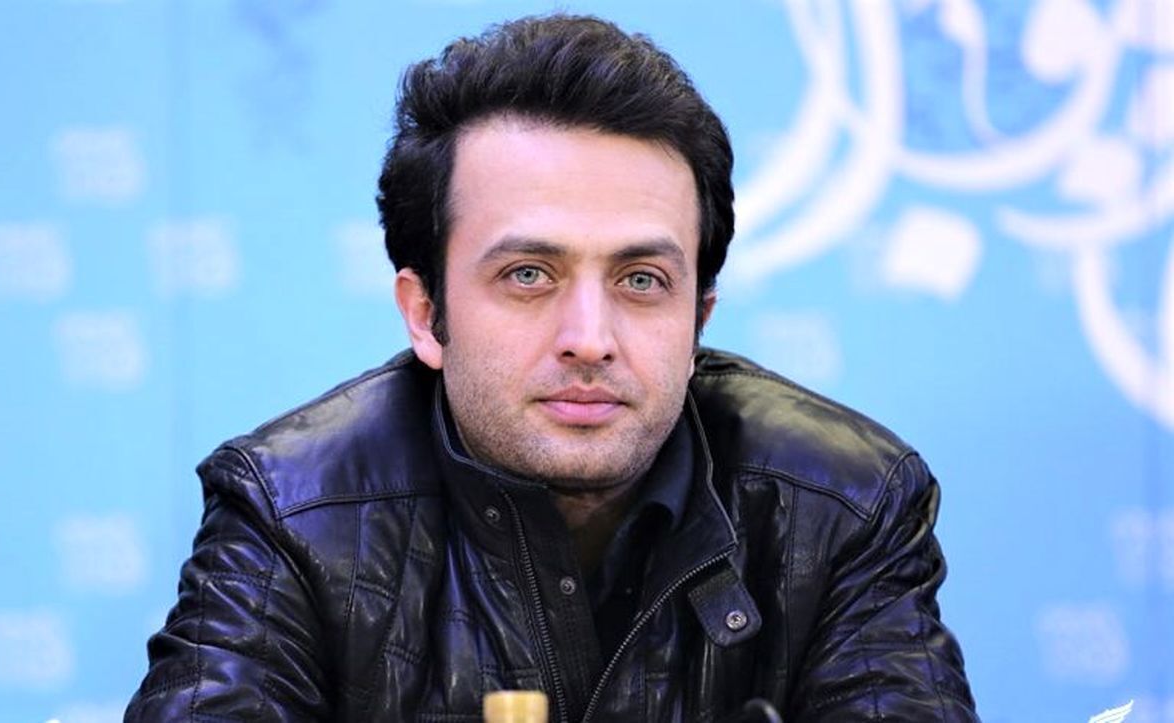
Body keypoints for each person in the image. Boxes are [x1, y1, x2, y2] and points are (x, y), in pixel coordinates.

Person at [127, 13, 977, 722]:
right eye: (529, 275)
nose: (589, 338)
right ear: (425, 313)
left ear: (698, 320)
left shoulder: (845, 504)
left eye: (641, 281)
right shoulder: (293, 512)